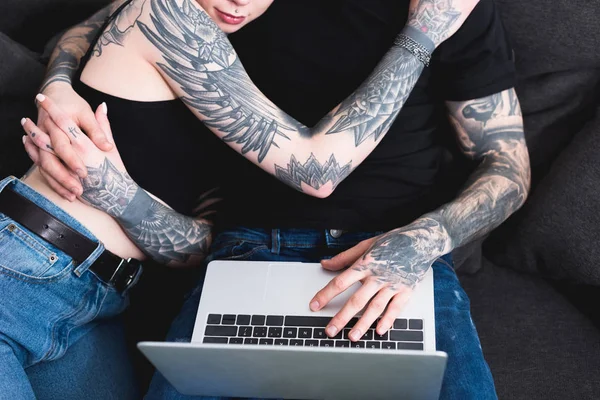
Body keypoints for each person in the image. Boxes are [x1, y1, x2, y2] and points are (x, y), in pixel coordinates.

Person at [25, 0, 529, 399]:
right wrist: (58, 83)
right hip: (244, 246)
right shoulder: (228, 6)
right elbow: (103, 23)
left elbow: (509, 167)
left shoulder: (451, 6)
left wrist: (425, 240)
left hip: (397, 252)